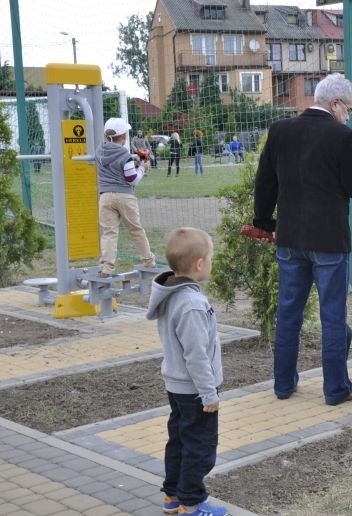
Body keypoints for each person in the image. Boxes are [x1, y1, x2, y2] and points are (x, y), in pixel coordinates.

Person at [252, 73, 352, 406]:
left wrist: (265, 222)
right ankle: (336, 388)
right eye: (348, 108)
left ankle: (283, 385)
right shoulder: (342, 136)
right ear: (336, 104)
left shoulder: (280, 130)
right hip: (330, 242)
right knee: (332, 316)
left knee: (289, 313)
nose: (348, 115)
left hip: (290, 237)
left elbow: (264, 181)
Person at [145, 227, 229, 516]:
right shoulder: (192, 304)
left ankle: (172, 497)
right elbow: (196, 356)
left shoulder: (173, 295)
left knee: (180, 440)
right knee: (199, 447)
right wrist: (208, 394)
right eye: (210, 258)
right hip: (195, 390)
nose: (211, 262)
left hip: (177, 386)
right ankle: (191, 504)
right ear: (199, 264)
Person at [96, 118, 156, 277]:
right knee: (136, 230)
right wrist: (142, 168)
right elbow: (132, 179)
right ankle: (148, 261)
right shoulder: (124, 154)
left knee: (109, 232)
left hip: (105, 196)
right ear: (123, 137)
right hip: (124, 196)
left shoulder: (99, 151)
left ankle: (106, 268)